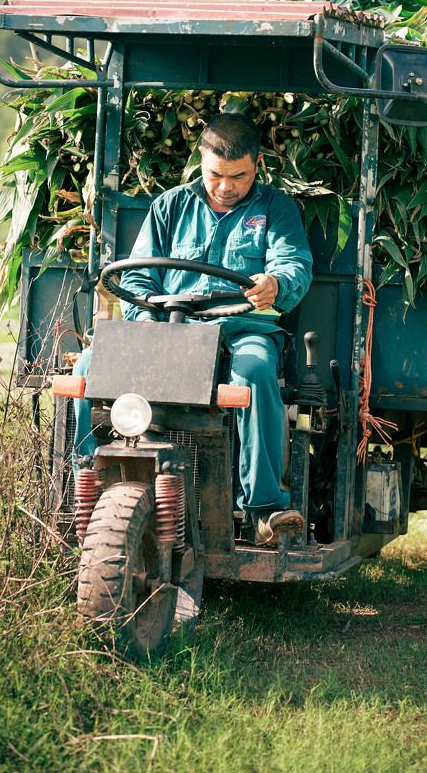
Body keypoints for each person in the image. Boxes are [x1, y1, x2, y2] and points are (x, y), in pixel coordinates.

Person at [75, 113, 313, 547]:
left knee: (256, 371)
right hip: (170, 329)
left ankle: (264, 509)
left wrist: (274, 284)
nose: (225, 186)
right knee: (92, 362)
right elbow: (139, 279)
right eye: (215, 175)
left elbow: (293, 265)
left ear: (257, 165)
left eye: (237, 176)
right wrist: (149, 325)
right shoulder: (170, 206)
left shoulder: (276, 209)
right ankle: (83, 483)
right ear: (200, 163)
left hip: (240, 331)